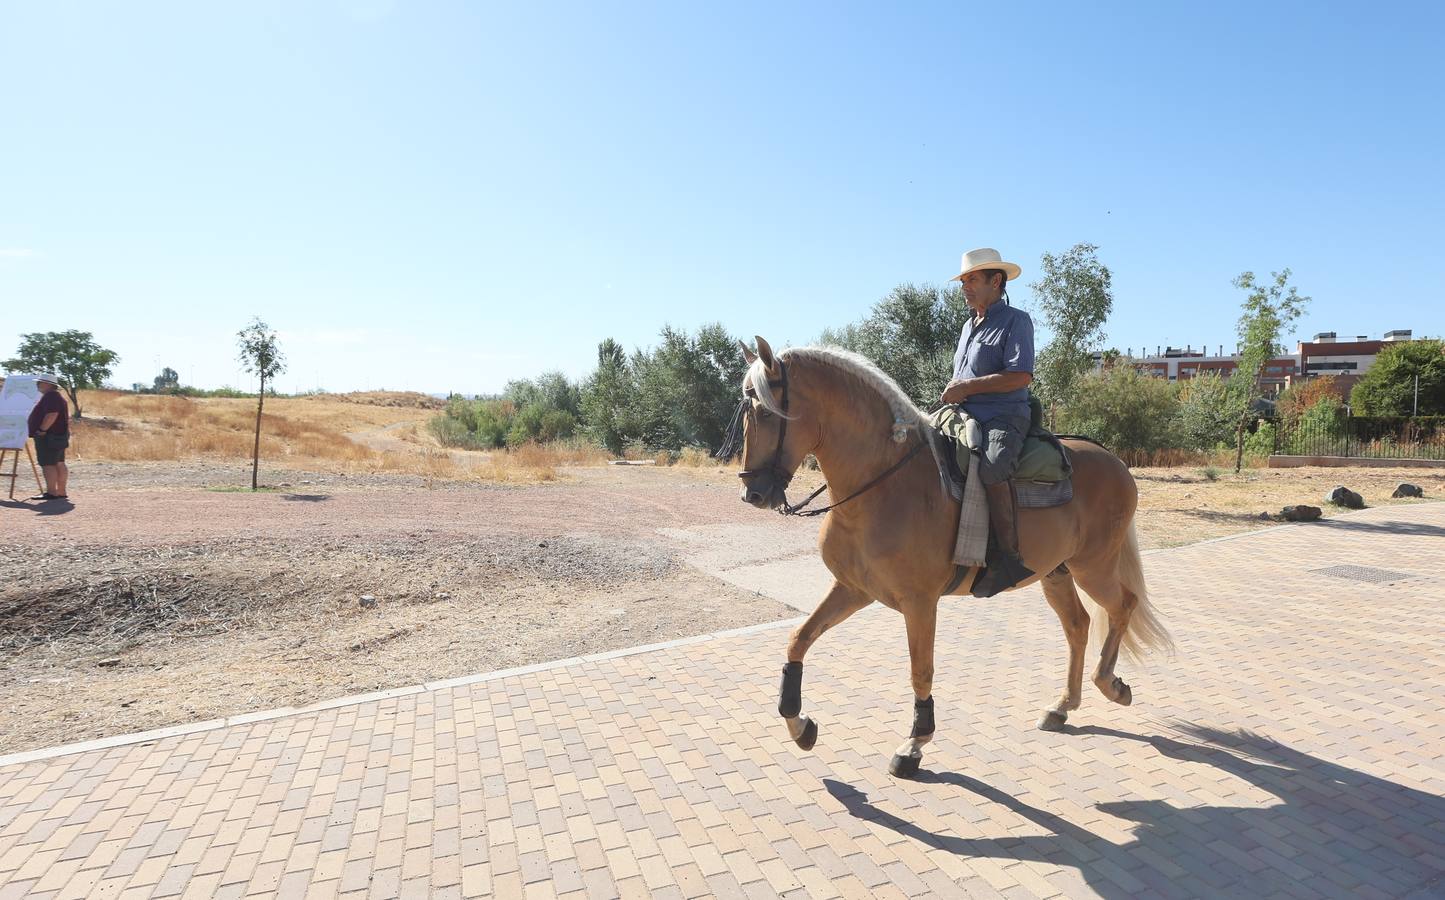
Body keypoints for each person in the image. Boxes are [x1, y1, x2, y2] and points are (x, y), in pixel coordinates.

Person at [940, 248, 1035, 597]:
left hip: (1002, 415)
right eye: (963, 281)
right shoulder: (968, 326)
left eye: (972, 280)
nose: (965, 287)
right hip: (963, 415)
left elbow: (1020, 376)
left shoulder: (1016, 321)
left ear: (996, 281)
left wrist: (966, 388)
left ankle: (1008, 558)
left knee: (993, 467)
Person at [28, 373, 70, 501]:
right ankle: (61, 491)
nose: (37, 384)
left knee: (48, 464)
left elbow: (52, 414)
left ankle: (52, 492)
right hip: (58, 435)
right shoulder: (57, 397)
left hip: (49, 436)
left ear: (47, 384)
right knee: (59, 462)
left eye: (39, 382)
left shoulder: (50, 396)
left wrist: (42, 430)